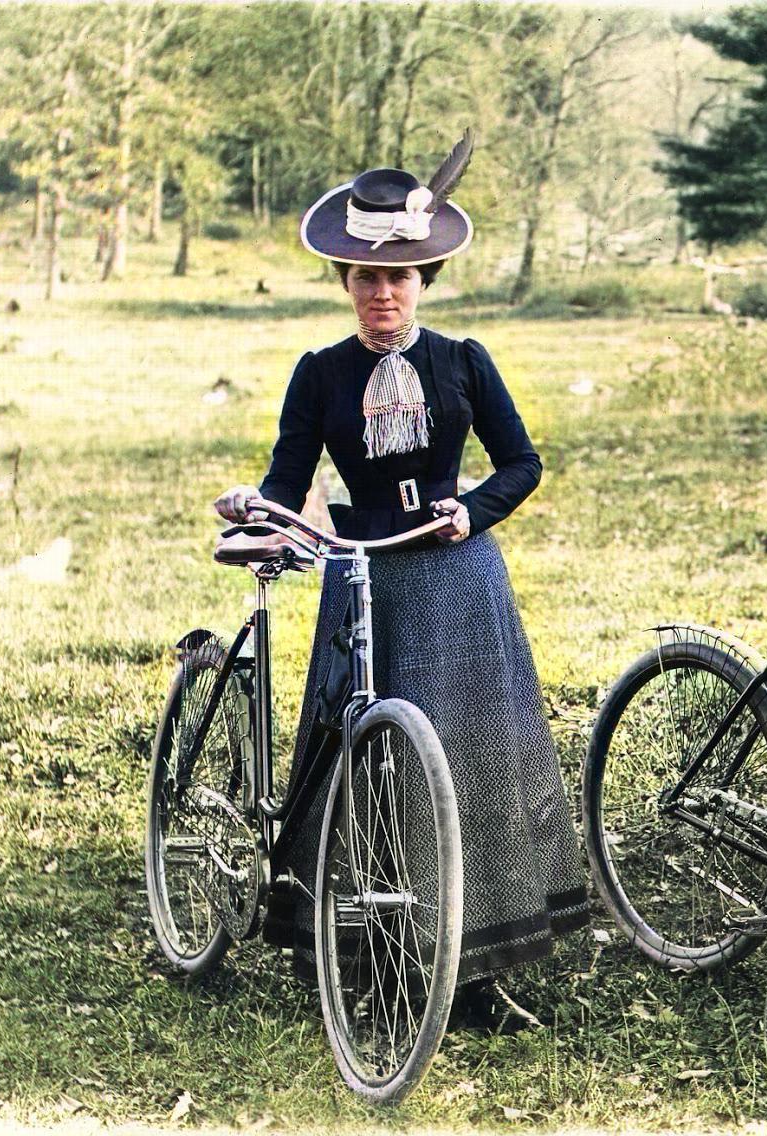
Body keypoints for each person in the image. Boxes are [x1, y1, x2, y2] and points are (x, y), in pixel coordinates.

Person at [214, 133, 588, 1030]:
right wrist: (255, 508)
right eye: (365, 281)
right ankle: (378, 961)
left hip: (458, 583)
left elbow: (522, 462)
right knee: (374, 766)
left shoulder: (464, 362)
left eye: (400, 280)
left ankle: (477, 969)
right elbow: (286, 477)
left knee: (469, 759)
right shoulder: (320, 376)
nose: (383, 297)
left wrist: (475, 510)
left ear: (425, 281)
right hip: (364, 582)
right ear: (345, 284)